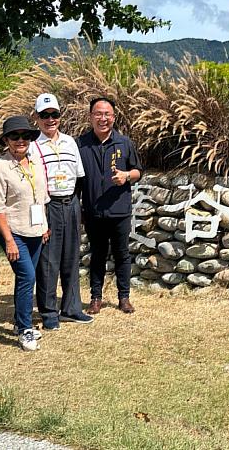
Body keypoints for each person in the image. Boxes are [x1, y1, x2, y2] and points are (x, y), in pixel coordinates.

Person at [32, 94, 93, 330]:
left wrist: (77, 205)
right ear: (36, 117)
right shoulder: (33, 146)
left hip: (71, 203)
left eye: (54, 114)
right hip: (49, 205)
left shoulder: (70, 142)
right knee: (48, 260)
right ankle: (48, 312)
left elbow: (79, 177)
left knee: (71, 258)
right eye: (45, 115)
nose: (50, 119)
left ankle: (71, 308)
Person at [77, 97, 142, 315]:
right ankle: (96, 298)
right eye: (98, 114)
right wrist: (79, 209)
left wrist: (126, 176)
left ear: (113, 117)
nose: (102, 118)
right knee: (97, 254)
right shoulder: (81, 144)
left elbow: (138, 172)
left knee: (122, 254)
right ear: (90, 117)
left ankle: (124, 297)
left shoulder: (124, 143)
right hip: (94, 211)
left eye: (107, 114)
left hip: (120, 210)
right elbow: (76, 180)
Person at [0, 115, 49, 351]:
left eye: (25, 136)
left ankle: (18, 322)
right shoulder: (0, 167)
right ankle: (25, 329)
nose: (20, 141)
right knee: (27, 276)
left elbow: (41, 199)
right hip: (14, 232)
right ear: (6, 140)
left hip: (35, 229)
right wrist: (8, 240)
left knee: (26, 278)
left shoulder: (35, 163)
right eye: (14, 137)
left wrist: (44, 227)